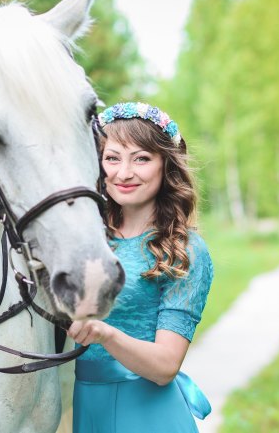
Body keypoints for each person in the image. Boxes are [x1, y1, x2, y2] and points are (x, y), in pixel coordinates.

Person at [69, 102, 214, 432]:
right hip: (86, 409)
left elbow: (166, 366)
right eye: (112, 158)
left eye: (142, 158)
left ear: (166, 165)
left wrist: (105, 334)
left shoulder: (184, 250)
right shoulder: (84, 240)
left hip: (149, 413)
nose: (124, 173)